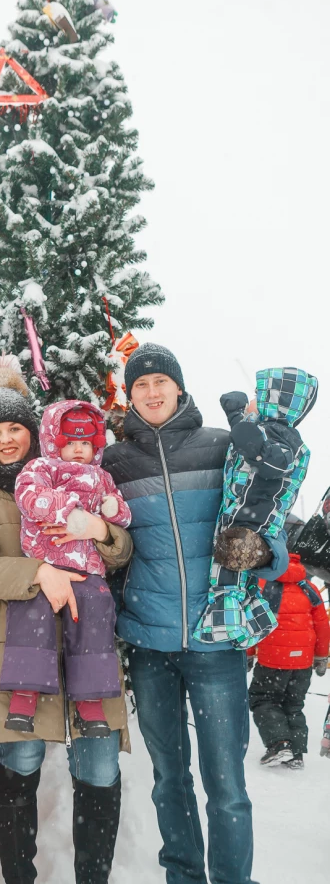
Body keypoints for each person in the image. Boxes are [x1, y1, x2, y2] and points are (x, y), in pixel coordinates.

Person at [102, 343, 288, 884]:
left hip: (215, 643)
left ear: (179, 389)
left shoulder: (223, 447)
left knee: (227, 784)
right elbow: (108, 549)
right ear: (130, 395)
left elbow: (266, 515)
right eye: (141, 385)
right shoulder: (114, 462)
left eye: (161, 382)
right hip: (149, 645)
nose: (152, 392)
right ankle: (183, 876)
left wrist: (266, 553)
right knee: (169, 779)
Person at [0, 355, 133, 884]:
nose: (7, 439)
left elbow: (121, 550)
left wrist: (102, 533)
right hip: (16, 650)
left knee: (99, 770)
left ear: (37, 433)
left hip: (90, 653)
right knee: (21, 766)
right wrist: (40, 573)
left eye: (16, 428)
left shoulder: (84, 477)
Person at [1, 400, 131, 737]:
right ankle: (24, 695)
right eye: (70, 443)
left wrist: (111, 509)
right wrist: (68, 507)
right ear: (54, 442)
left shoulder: (103, 478)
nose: (78, 450)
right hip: (46, 561)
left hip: (87, 568)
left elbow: (124, 517)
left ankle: (90, 703)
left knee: (97, 611)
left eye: (85, 444)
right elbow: (30, 497)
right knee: (31, 613)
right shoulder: (42, 468)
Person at [195, 369, 318, 648]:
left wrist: (259, 449)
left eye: (255, 396)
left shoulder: (286, 438)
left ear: (273, 401)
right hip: (240, 515)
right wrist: (235, 414)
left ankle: (223, 626)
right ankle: (254, 623)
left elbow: (275, 462)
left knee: (227, 574)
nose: (252, 400)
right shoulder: (264, 430)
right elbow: (246, 438)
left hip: (255, 522)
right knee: (240, 577)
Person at [248, 551, 329, 768]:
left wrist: (247, 654)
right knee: (293, 705)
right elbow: (322, 625)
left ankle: (279, 744)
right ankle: (296, 755)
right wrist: (321, 656)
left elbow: (255, 623)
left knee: (263, 699)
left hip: (272, 661)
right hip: (302, 663)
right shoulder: (309, 588)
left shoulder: (262, 586)